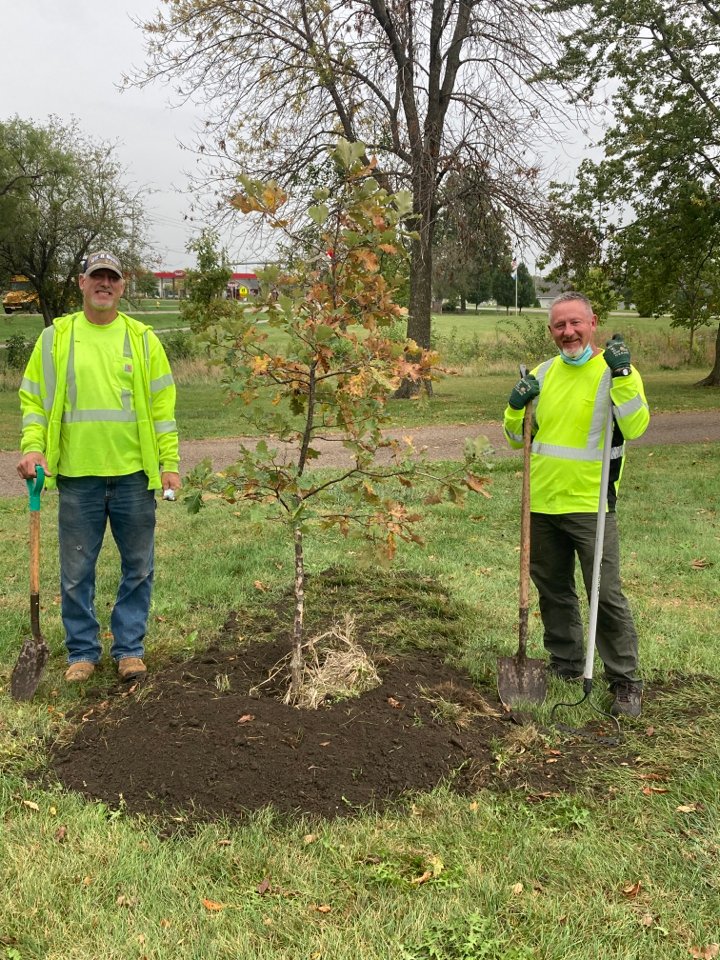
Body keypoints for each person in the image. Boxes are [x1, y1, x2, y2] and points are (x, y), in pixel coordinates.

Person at [17, 250, 181, 684]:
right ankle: (82, 653)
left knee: (139, 567)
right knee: (75, 573)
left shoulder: (144, 340)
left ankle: (129, 649)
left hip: (133, 477)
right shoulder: (56, 338)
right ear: (81, 283)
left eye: (112, 277)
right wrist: (33, 448)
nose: (104, 284)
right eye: (96, 277)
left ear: (122, 286)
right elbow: (33, 401)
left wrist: (169, 463)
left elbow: (164, 409)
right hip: (77, 478)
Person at [503, 292, 650, 717]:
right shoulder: (542, 374)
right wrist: (515, 407)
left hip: (591, 504)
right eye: (558, 326)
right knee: (554, 591)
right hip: (543, 504)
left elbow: (637, 426)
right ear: (551, 330)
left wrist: (622, 376)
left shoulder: (616, 371)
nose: (567, 332)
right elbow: (518, 438)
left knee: (604, 592)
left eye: (575, 323)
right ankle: (565, 665)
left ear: (592, 323)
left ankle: (625, 681)